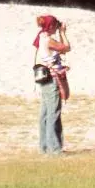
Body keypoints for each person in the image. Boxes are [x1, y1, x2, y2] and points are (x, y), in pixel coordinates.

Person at [33, 15, 71, 155]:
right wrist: (63, 33)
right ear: (51, 26)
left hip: (44, 79)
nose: (57, 27)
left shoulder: (41, 37)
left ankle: (44, 147)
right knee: (53, 114)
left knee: (45, 114)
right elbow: (66, 47)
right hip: (52, 80)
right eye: (55, 25)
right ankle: (54, 149)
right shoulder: (48, 40)